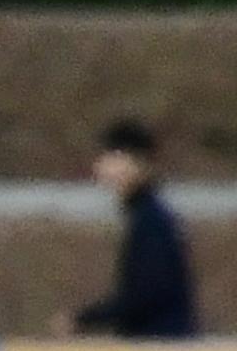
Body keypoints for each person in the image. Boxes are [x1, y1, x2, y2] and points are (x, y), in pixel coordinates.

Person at [70, 119, 198, 339]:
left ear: (137, 163)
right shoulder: (146, 216)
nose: (102, 168)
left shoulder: (152, 222)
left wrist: (85, 319)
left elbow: (145, 294)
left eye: (112, 158)